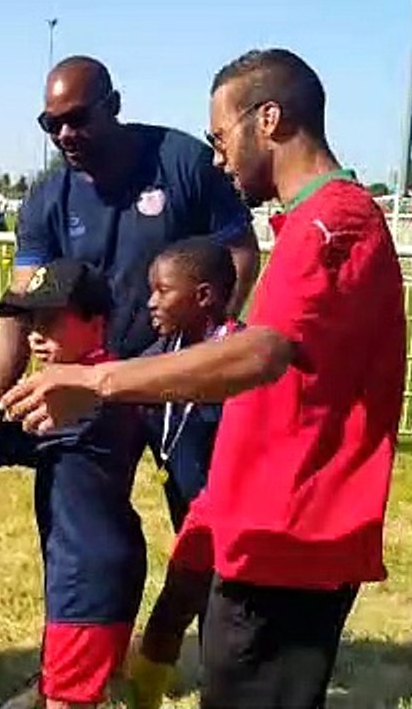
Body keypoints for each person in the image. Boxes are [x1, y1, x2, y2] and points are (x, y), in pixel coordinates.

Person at [1, 48, 407, 709]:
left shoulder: (336, 222)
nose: (217, 157)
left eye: (221, 138)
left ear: (268, 119)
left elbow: (263, 354)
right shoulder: (309, 223)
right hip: (261, 524)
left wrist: (99, 382)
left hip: (292, 535)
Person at [0, 55, 258, 403]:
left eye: (76, 118)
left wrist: (207, 349)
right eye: (51, 125)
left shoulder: (185, 163)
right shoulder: (45, 199)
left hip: (178, 377)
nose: (64, 134)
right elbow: (21, 302)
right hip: (94, 382)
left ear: (113, 105)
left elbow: (241, 252)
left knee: (198, 458)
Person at [0, 258, 147, 709]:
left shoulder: (79, 396)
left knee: (69, 701)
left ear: (96, 324)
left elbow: (4, 443)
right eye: (32, 319)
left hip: (84, 576)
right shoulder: (108, 379)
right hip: (106, 557)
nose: (36, 333)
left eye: (52, 320)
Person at [126, 238, 241, 709]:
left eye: (162, 290)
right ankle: (146, 691)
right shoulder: (167, 348)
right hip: (191, 521)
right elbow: (125, 377)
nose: (151, 301)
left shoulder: (239, 357)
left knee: (213, 621)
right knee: (175, 613)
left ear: (204, 296)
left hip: (233, 527)